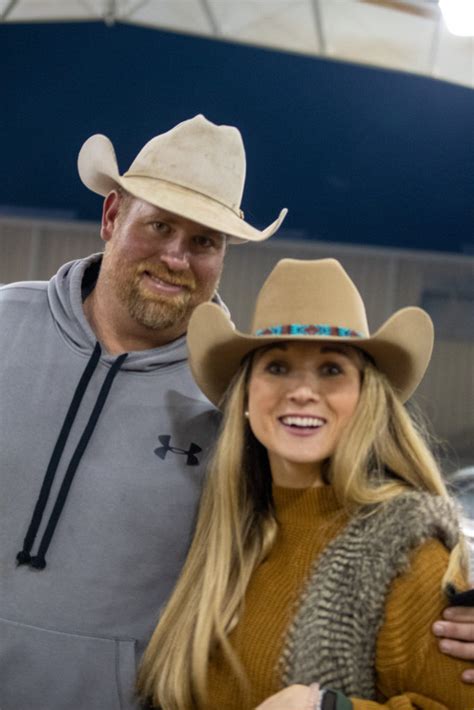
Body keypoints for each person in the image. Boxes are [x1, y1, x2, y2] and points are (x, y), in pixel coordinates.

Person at [0, 114, 287, 710]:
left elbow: (312, 537)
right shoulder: (3, 323)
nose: (176, 257)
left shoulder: (238, 398)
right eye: (157, 225)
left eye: (204, 241)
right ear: (111, 217)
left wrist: (443, 602)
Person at [137, 258, 474, 709]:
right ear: (245, 397)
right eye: (277, 367)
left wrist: (330, 709)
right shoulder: (222, 534)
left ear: (364, 399)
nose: (301, 391)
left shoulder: (405, 551)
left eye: (331, 369)